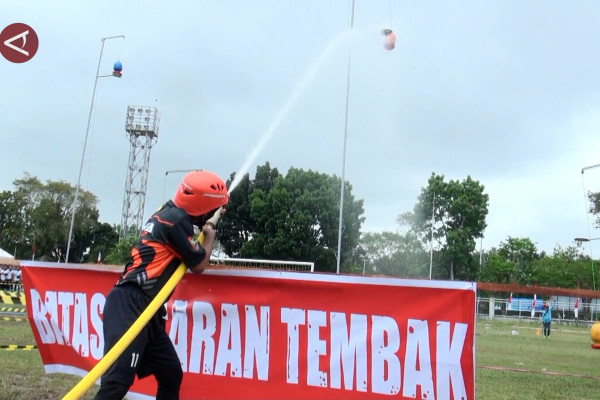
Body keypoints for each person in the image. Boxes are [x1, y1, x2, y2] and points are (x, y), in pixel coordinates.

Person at [93, 170, 228, 400]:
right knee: (117, 384)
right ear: (202, 207)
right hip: (132, 305)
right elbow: (198, 264)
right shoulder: (178, 221)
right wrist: (210, 235)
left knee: (170, 373)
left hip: (148, 309)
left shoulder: (167, 212)